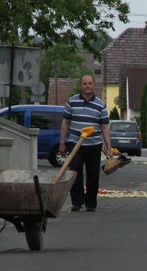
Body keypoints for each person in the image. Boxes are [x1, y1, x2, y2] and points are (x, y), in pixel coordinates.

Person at [59, 74, 113, 212]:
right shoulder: (72, 102)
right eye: (85, 83)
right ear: (80, 85)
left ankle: (91, 203)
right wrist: (62, 143)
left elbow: (105, 127)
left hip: (94, 144)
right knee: (75, 171)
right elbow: (65, 123)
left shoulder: (100, 105)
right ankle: (77, 201)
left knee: (93, 173)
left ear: (94, 85)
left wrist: (109, 148)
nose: (87, 86)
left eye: (90, 83)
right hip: (75, 143)